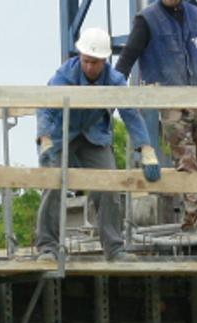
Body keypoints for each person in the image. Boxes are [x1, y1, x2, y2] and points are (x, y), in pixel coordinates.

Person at [35, 27, 162, 262]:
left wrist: (146, 148)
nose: (90, 67)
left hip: (94, 136)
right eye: (86, 61)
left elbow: (130, 114)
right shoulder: (64, 76)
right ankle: (47, 248)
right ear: (79, 56)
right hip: (62, 134)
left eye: (95, 62)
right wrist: (44, 140)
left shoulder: (115, 81)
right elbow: (45, 108)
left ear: (105, 61)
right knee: (52, 183)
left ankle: (114, 249)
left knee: (108, 185)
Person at [115, 0, 197, 234]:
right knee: (187, 159)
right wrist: (110, 92)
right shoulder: (147, 20)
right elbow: (127, 58)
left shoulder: (196, 15)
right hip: (173, 101)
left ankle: (190, 217)